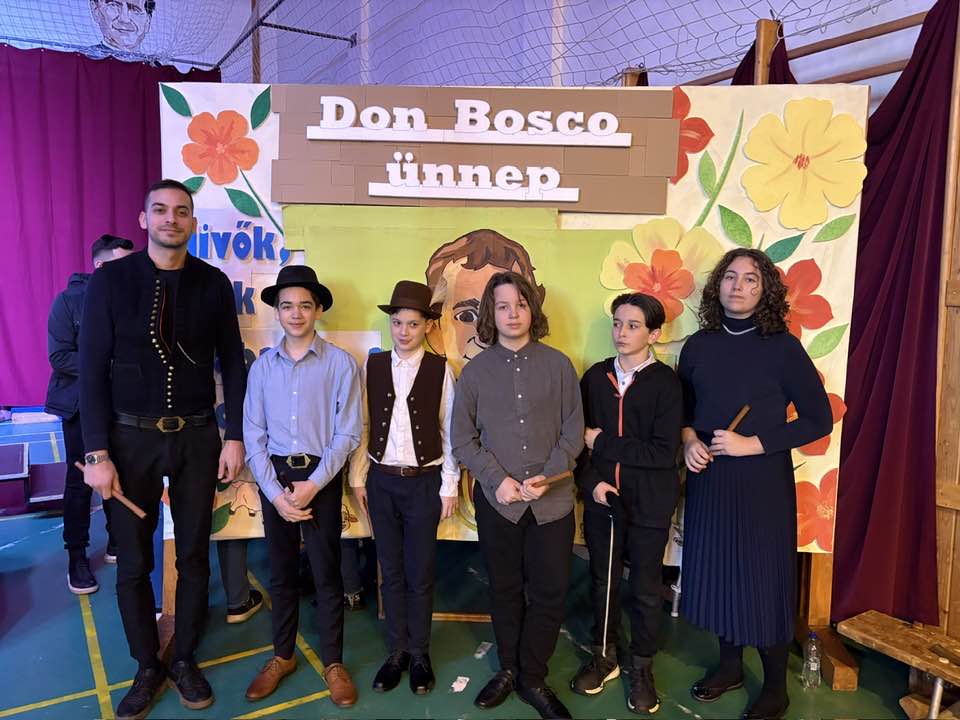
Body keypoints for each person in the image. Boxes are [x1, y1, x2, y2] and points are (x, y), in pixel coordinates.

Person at [79, 179, 247, 719]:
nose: (170, 218)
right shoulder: (111, 281)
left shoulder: (213, 283)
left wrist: (234, 434)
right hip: (129, 442)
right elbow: (90, 370)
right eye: (160, 210)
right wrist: (96, 454)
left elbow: (233, 362)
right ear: (143, 219)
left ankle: (185, 658)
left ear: (192, 222)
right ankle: (146, 665)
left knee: (194, 555)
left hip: (198, 438)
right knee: (133, 560)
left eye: (180, 211)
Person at [677, 249, 832, 720]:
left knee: (762, 581)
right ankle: (729, 668)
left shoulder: (782, 347)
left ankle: (776, 688)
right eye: (730, 277)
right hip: (710, 478)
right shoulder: (698, 345)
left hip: (762, 482)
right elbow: (683, 410)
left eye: (750, 279)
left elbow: (818, 419)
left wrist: (754, 444)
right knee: (719, 573)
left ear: (765, 291)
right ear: (717, 286)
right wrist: (688, 440)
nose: (738, 286)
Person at [452, 271, 584, 720]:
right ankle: (508, 669)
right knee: (505, 589)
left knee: (550, 592)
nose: (512, 314)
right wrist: (497, 479)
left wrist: (549, 475)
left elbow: (573, 432)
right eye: (503, 306)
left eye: (520, 304)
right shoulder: (475, 372)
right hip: (500, 504)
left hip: (553, 502)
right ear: (491, 313)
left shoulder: (560, 366)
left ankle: (533, 678)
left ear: (532, 310)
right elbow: (463, 439)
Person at [242, 264, 362, 708]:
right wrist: (276, 494)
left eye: (305, 305)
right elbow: (253, 434)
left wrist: (312, 485)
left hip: (320, 477)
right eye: (287, 305)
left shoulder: (340, 364)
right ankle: (283, 655)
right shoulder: (262, 369)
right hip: (275, 477)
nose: (296, 313)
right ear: (276, 311)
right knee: (280, 573)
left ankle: (333, 662)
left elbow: (347, 432)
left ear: (318, 311)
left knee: (327, 572)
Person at [571, 293, 683, 714]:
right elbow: (575, 442)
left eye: (633, 325)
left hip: (650, 503)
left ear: (653, 334)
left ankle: (641, 666)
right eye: (617, 323)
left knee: (646, 589)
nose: (621, 332)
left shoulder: (666, 384)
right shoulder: (594, 378)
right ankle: (604, 656)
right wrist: (592, 482)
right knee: (603, 581)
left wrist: (603, 442)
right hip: (603, 500)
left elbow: (661, 452)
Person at [349, 280, 460, 695]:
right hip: (381, 481)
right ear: (390, 323)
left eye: (413, 324)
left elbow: (450, 430)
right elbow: (363, 425)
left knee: (420, 572)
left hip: (423, 483)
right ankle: (396, 651)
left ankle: (420, 653)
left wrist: (449, 485)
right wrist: (359, 476)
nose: (404, 331)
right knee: (390, 571)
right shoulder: (373, 366)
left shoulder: (440, 369)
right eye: (397, 323)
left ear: (427, 326)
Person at [46, 233, 132, 594]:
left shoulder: (131, 301)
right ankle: (77, 556)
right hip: (80, 407)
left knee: (121, 471)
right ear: (100, 266)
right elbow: (59, 357)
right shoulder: (68, 302)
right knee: (80, 481)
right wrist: (105, 365)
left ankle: (116, 540)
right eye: (122, 264)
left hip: (121, 406)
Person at [424, 229, 544, 372]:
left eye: (504, 311)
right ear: (435, 332)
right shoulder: (435, 380)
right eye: (467, 316)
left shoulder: (554, 369)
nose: (486, 333)